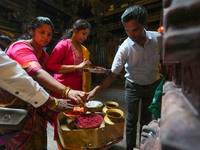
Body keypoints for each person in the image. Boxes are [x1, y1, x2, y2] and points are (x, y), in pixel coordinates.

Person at [5, 16, 87, 150]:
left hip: (34, 104)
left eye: (49, 34)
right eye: (41, 32)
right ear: (32, 31)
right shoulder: (20, 47)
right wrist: (67, 91)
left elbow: (54, 68)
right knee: (20, 143)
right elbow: (37, 72)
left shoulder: (43, 54)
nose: (46, 37)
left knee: (39, 141)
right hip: (15, 104)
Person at [87, 5, 162, 150]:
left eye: (135, 29)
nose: (131, 34)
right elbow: (112, 75)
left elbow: (165, 61)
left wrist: (165, 81)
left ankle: (143, 146)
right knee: (132, 120)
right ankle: (130, 148)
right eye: (127, 30)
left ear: (145, 24)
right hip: (132, 86)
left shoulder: (158, 39)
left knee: (146, 120)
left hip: (152, 84)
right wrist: (94, 91)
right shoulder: (125, 48)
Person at [46, 19, 92, 149]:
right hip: (62, 90)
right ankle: (61, 144)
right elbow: (51, 65)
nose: (85, 37)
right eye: (83, 33)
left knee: (76, 119)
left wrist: (88, 68)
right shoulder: (63, 45)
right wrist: (77, 67)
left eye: (87, 35)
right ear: (75, 30)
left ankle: (74, 142)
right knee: (62, 120)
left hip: (77, 90)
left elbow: (82, 68)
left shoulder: (83, 49)